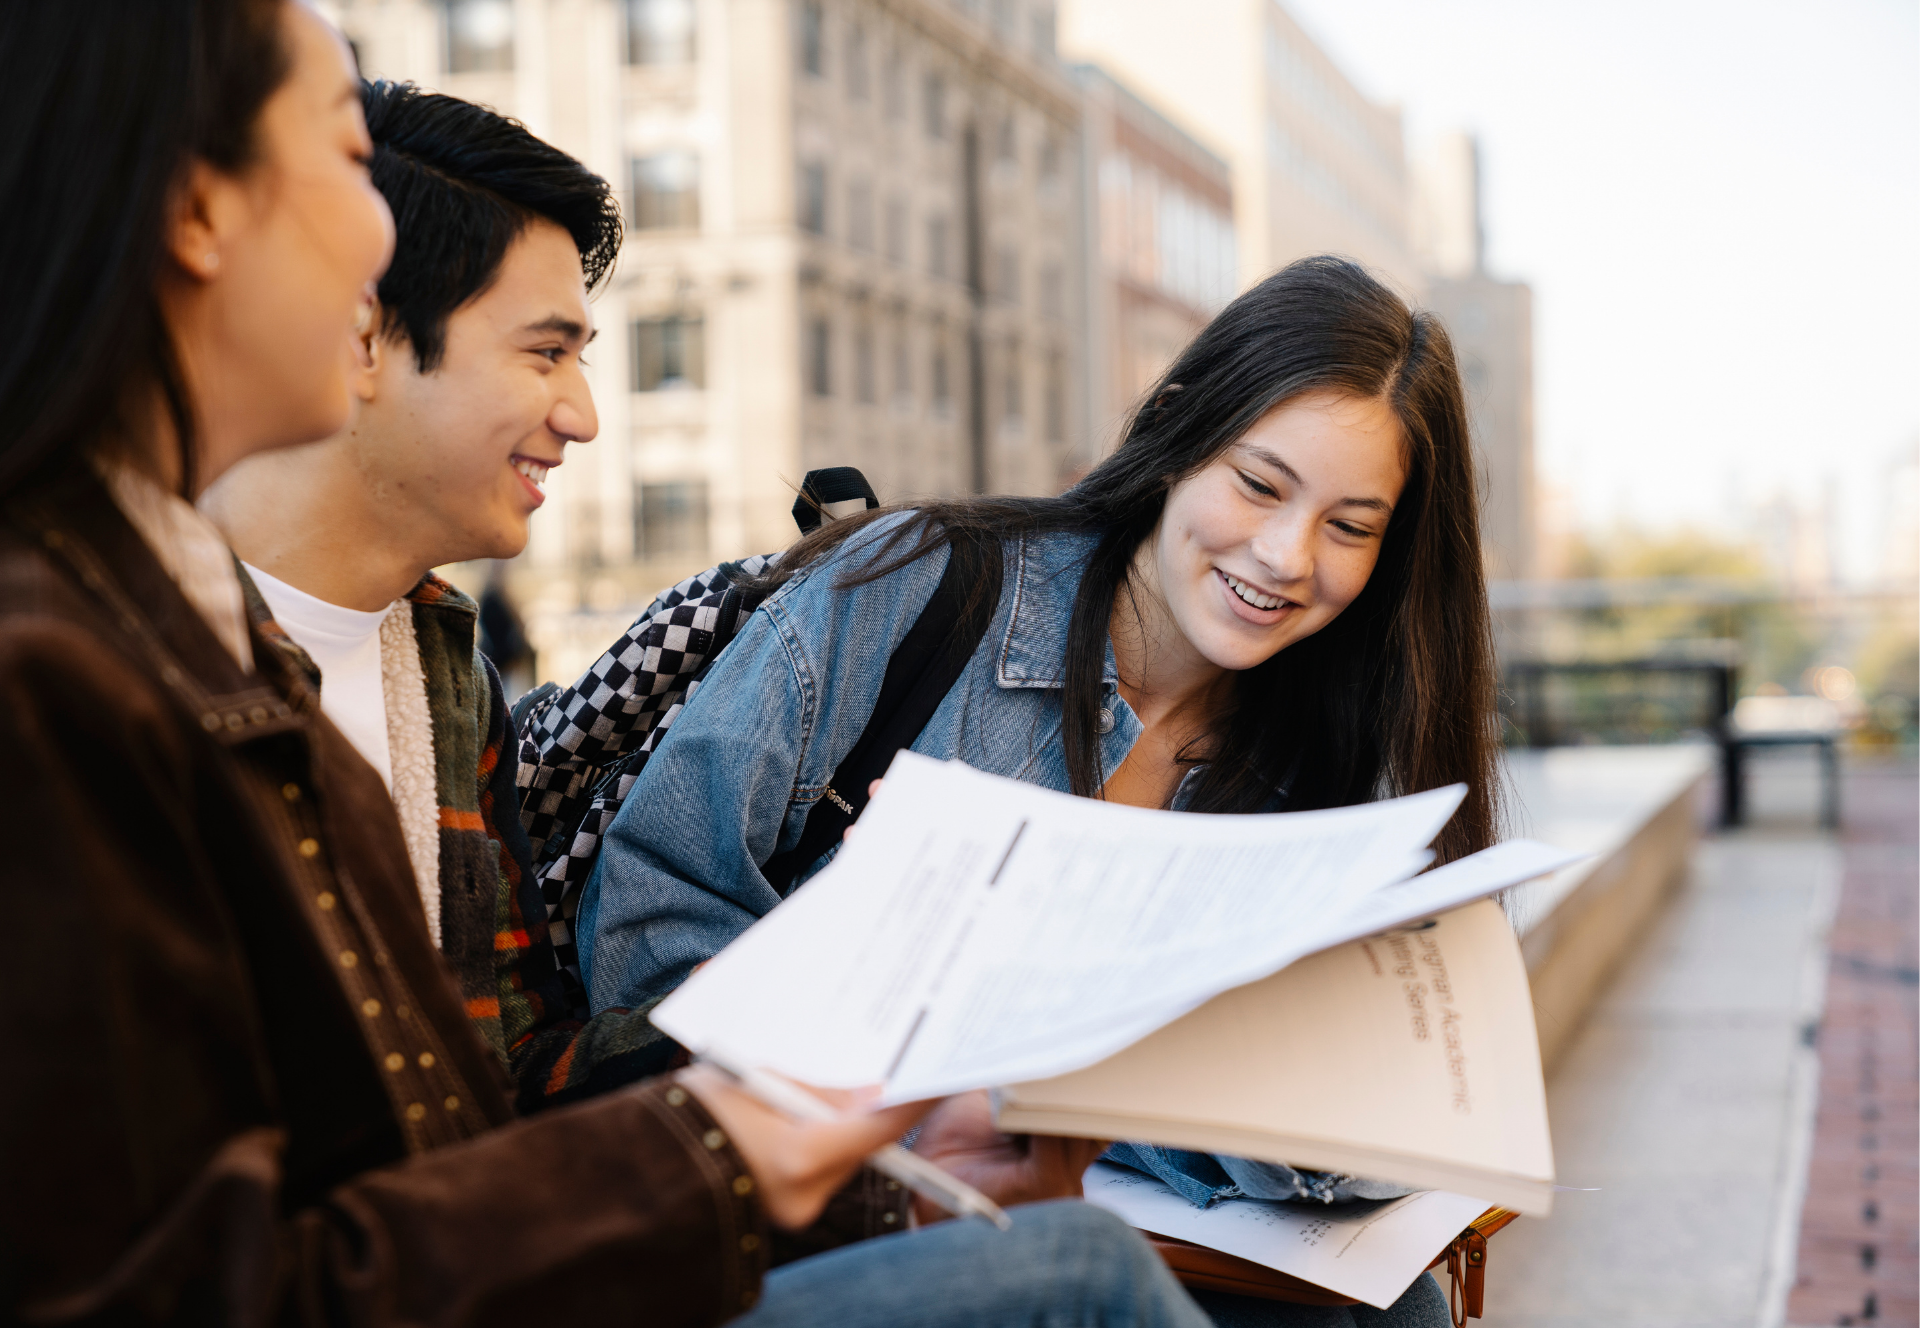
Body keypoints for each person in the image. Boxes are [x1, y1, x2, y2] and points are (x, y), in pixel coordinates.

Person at [0, 3, 1220, 1324]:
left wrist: (851, 1149)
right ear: (196, 212)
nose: (374, 237)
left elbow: (494, 1102)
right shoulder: (66, 673)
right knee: (1081, 1280)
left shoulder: (379, 657)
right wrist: (729, 1145)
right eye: (348, 159)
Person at [576, 255, 1502, 1326]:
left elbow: (1377, 1131)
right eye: (1258, 483)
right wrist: (910, 1085)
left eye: (1350, 525)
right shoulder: (912, 588)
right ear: (1177, 431)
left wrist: (1112, 1096)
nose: (1287, 554)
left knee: (1389, 1312)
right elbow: (644, 930)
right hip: (822, 1212)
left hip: (1145, 1231)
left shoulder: (1334, 757)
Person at [201, 79, 671, 1113]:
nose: (582, 415)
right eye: (547, 352)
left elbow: (505, 1066)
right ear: (365, 334)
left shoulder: (446, 665)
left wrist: (789, 989)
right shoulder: (126, 640)